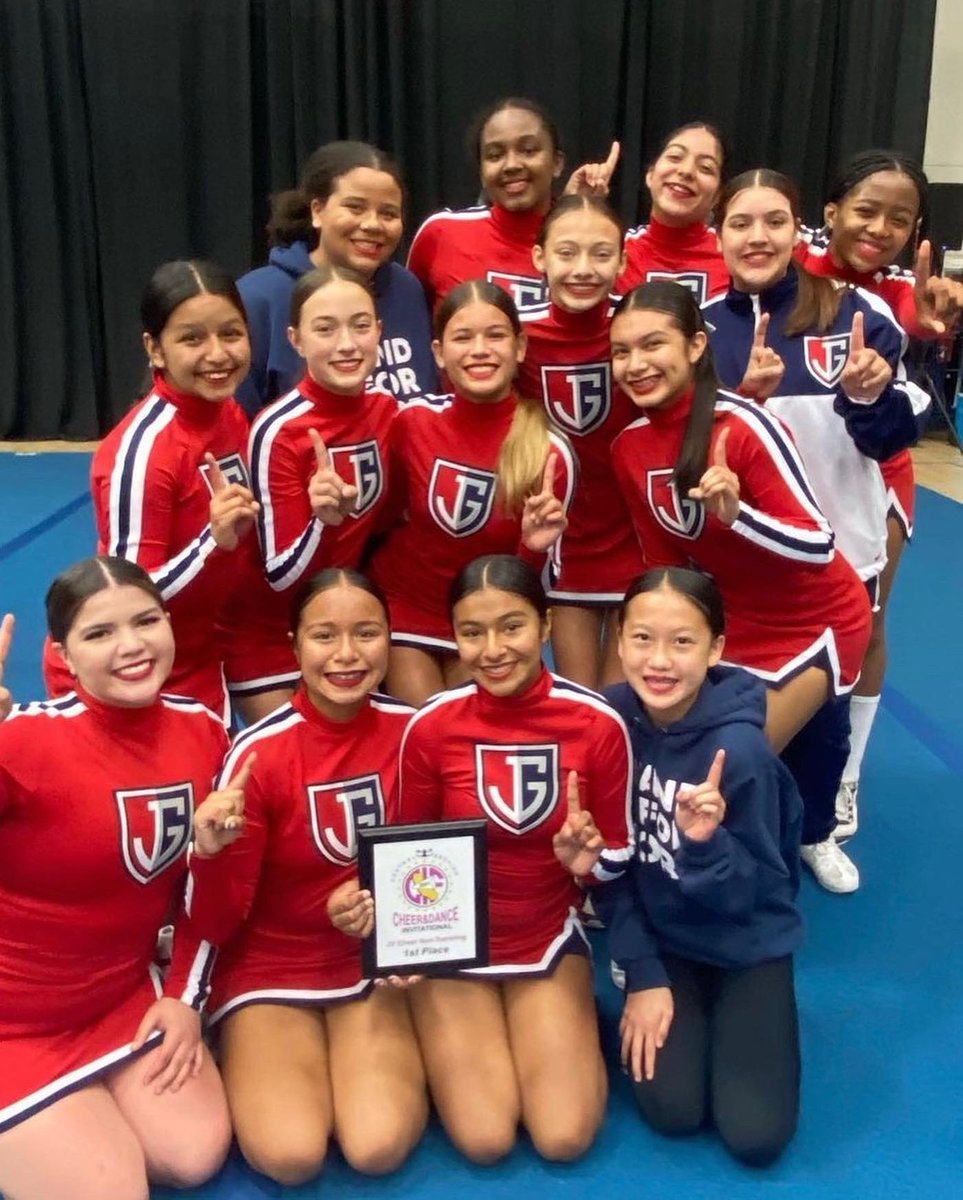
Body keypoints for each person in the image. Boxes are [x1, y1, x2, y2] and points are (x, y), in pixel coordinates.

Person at [609, 281, 871, 892]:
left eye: (653, 344)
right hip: (734, 620)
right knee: (670, 747)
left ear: (696, 346)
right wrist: (660, 644)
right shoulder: (628, 448)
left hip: (818, 620)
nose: (637, 364)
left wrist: (739, 517)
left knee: (729, 767)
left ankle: (807, 838)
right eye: (622, 351)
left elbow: (818, 544)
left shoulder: (745, 425)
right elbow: (665, 564)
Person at [0, 557, 231, 1200]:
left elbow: (210, 886)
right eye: (99, 633)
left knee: (194, 1155)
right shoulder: (20, 742)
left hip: (117, 997)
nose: (131, 646)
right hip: (11, 1020)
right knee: (113, 1187)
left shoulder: (205, 732)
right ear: (62, 656)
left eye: (145, 621)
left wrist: (183, 997)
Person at [187, 568, 426, 1186]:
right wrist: (210, 854)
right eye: (324, 636)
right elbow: (216, 922)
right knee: (291, 1155)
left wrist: (394, 921)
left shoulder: (414, 734)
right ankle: (240, 1043)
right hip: (271, 963)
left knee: (376, 1147)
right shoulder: (256, 755)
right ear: (294, 645)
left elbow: (434, 867)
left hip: (370, 962)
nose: (347, 655)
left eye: (366, 633)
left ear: (390, 638)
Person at [398, 553, 633, 1163]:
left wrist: (589, 863)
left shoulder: (597, 723)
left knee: (563, 1137)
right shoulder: (431, 727)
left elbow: (620, 859)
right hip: (452, 945)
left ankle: (555, 1023)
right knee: (486, 1139)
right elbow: (408, 854)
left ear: (546, 625)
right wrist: (408, 945)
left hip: (545, 936)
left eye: (512, 626)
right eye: (472, 632)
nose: (493, 650)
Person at [599, 567, 802, 1166]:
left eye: (682, 642)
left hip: (745, 942)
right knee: (674, 1112)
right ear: (619, 641)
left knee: (756, 1137)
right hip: (666, 942)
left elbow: (761, 894)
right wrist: (642, 971)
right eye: (642, 638)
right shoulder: (608, 725)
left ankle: (747, 1009)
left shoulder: (741, 753)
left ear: (715, 649)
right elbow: (612, 869)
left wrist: (706, 845)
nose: (659, 661)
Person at [795, 151, 963, 838]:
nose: (879, 228)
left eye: (900, 219)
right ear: (831, 210)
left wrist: (932, 323)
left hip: (873, 476)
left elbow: (918, 319)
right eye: (866, 210)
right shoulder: (786, 264)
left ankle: (845, 776)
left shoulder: (899, 292)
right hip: (786, 468)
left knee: (865, 622)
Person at [706, 168, 928, 669]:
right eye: (740, 224)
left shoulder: (855, 312)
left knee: (837, 694)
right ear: (718, 237)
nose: (758, 237)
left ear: (798, 232)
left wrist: (868, 398)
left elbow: (895, 435)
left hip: (842, 552)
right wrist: (742, 400)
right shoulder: (699, 328)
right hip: (739, 556)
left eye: (775, 222)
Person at [44, 260, 260, 722]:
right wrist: (211, 543)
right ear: (155, 349)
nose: (218, 353)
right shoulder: (144, 451)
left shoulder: (230, 413)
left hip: (201, 648)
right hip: (131, 665)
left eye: (231, 333)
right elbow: (127, 593)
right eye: (192, 339)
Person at [367, 279, 575, 707]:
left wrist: (533, 546)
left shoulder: (549, 451)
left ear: (519, 347)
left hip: (487, 623)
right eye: (463, 337)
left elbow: (536, 585)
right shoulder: (412, 422)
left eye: (495, 335)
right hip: (406, 609)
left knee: (469, 729)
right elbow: (381, 518)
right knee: (427, 725)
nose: (480, 350)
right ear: (439, 352)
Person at [234, 266, 399, 717]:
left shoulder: (387, 410)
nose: (346, 344)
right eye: (325, 329)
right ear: (296, 340)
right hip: (270, 632)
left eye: (360, 326)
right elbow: (279, 575)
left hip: (341, 622)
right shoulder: (279, 429)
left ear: (379, 331)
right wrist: (322, 523)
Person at [518, 194, 643, 687]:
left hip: (640, 539)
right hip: (565, 543)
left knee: (626, 702)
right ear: (539, 257)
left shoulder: (640, 330)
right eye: (567, 253)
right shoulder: (518, 334)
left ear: (624, 261)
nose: (584, 269)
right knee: (582, 698)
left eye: (601, 254)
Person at [237, 140, 437, 415]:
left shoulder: (407, 288)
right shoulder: (257, 298)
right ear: (317, 211)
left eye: (388, 213)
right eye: (355, 208)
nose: (372, 224)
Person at [408, 98, 620, 313]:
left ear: (557, 163)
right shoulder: (442, 233)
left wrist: (576, 212)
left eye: (528, 150)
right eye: (495, 155)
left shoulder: (596, 245)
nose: (511, 165)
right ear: (481, 172)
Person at [617, 122, 730, 304]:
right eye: (675, 157)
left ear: (718, 195)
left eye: (705, 167)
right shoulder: (616, 251)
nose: (686, 171)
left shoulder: (733, 256)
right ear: (650, 174)